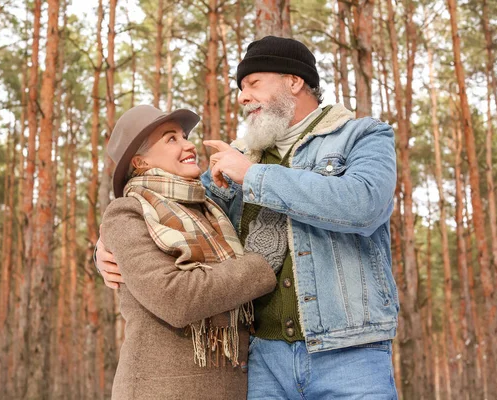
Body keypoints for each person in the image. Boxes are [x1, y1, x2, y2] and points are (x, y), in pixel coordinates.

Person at [97, 36, 399, 399]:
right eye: (240, 88)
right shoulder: (240, 157)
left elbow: (364, 205)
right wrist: (102, 250)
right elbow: (172, 214)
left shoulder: (362, 136)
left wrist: (254, 176)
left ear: (294, 81)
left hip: (349, 354)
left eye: (253, 83)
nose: (242, 97)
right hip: (262, 362)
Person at [100, 104, 277, 399]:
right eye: (171, 139)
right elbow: (175, 298)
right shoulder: (126, 212)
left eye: (184, 136)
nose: (188, 144)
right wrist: (261, 266)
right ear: (140, 162)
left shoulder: (210, 210)